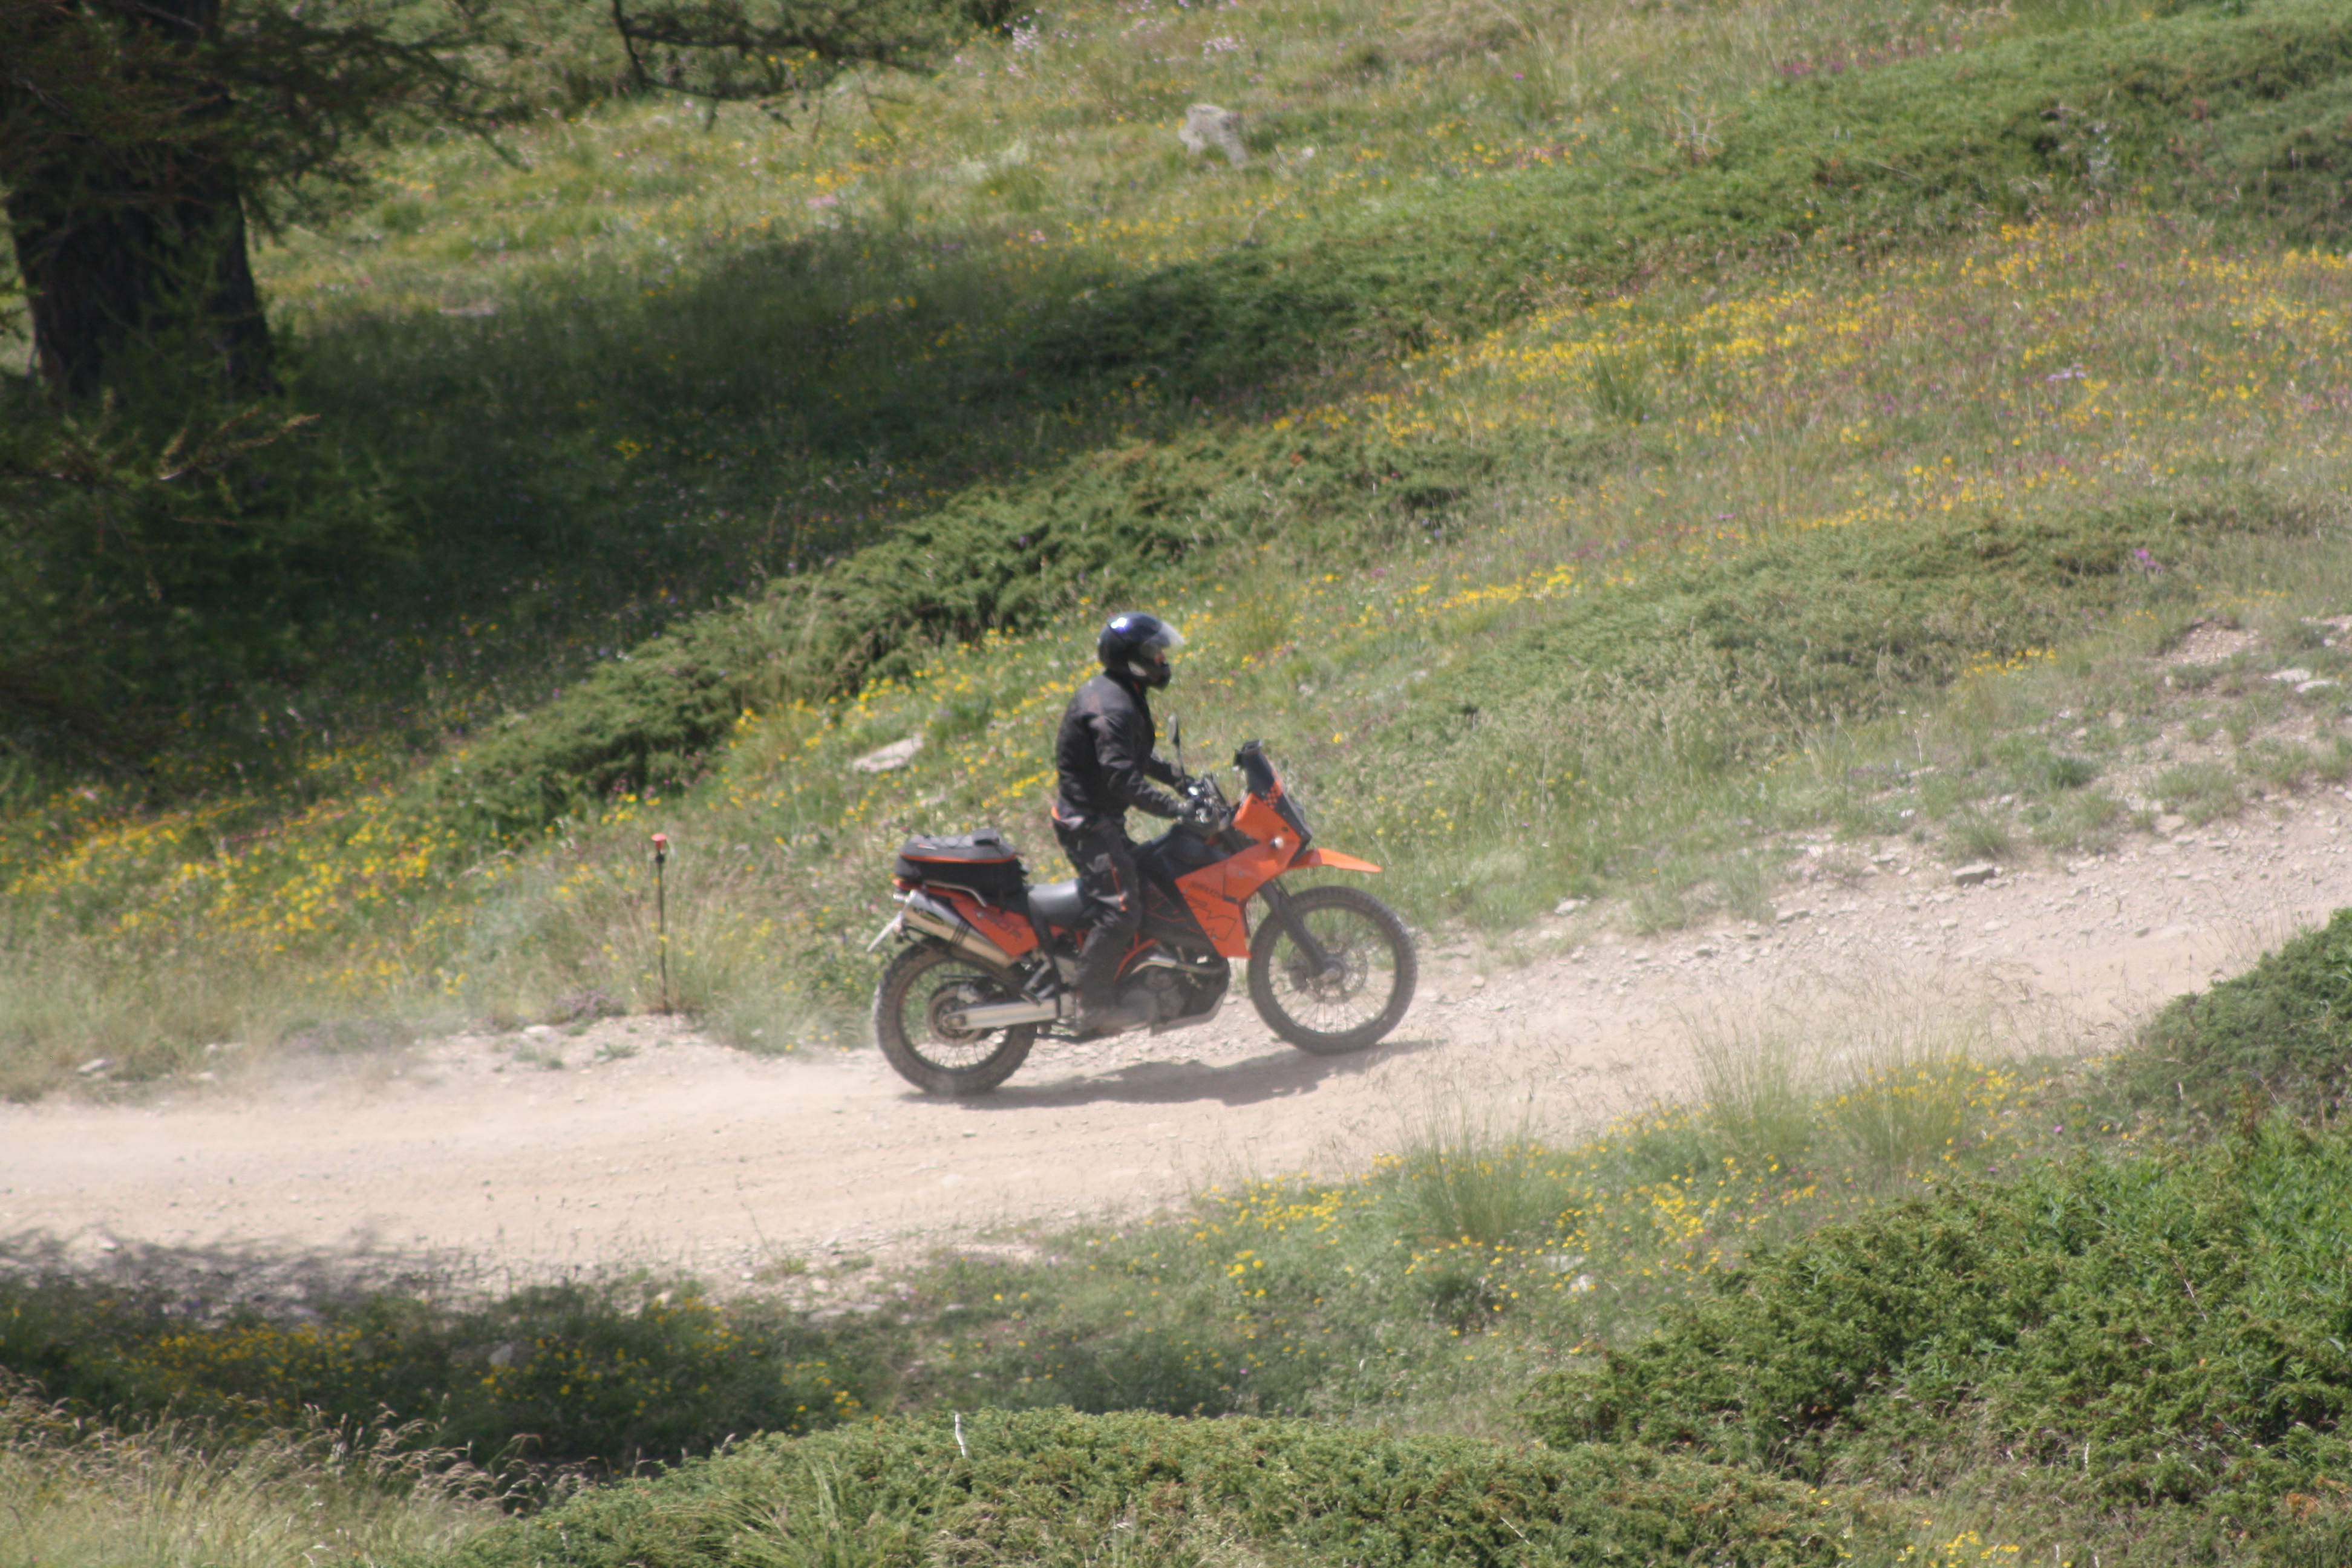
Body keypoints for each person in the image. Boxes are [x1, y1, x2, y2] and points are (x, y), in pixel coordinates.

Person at [1052, 611, 1187, 1034]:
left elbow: (1136, 757)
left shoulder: (1122, 692)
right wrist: (1174, 808)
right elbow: (1121, 777)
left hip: (1098, 817)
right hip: (1087, 825)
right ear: (1135, 659)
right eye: (1156, 653)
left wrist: (1181, 781)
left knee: (1150, 882)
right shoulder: (1114, 707)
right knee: (1122, 909)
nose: (1163, 660)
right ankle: (1090, 1003)